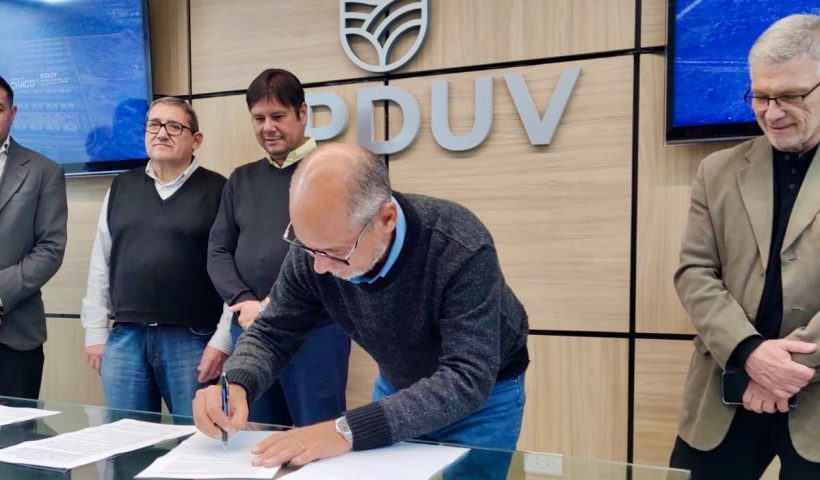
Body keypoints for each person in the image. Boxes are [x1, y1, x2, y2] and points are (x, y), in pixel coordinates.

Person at [194, 142, 529, 471]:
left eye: (335, 252)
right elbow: (273, 331)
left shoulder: (459, 246)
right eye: (307, 247)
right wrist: (237, 382)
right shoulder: (316, 247)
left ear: (386, 219)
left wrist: (345, 430)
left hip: (484, 398)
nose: (318, 268)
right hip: (399, 383)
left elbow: (467, 376)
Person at [670, 14, 820, 479]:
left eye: (791, 96)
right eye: (761, 96)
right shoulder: (717, 171)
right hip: (725, 391)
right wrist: (750, 353)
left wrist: (786, 368)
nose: (772, 113)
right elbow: (694, 273)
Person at [207, 68, 350, 427]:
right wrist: (244, 301)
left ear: (302, 113)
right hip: (250, 328)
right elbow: (218, 251)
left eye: (277, 116)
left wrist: (273, 305)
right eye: (259, 119)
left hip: (314, 332)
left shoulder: (333, 171)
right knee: (254, 435)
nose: (267, 127)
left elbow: (340, 250)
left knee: (317, 434)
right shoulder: (241, 179)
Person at [80, 97, 230, 416]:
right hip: (126, 337)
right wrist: (95, 330)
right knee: (124, 440)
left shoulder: (220, 190)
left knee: (197, 439)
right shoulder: (122, 186)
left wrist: (223, 339)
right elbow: (101, 262)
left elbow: (234, 272)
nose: (162, 133)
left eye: (174, 126)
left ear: (196, 140)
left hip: (192, 339)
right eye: (154, 125)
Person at [0, 75, 67, 398]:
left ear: (12, 113)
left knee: (15, 429)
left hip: (15, 335)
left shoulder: (44, 171)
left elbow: (50, 249)